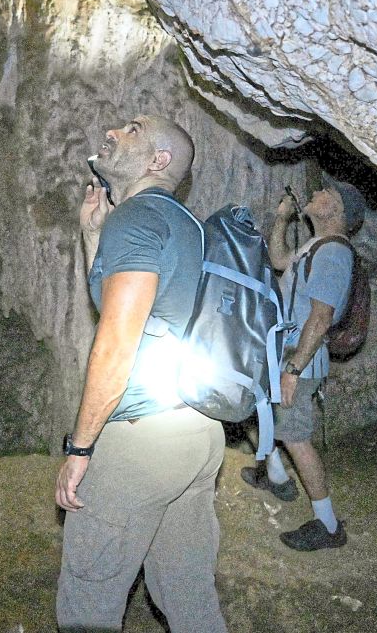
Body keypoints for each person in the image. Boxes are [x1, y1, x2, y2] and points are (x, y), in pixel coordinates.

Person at [55, 114, 229, 633]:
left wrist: (80, 449)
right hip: (195, 430)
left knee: (88, 608)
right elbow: (132, 307)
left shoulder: (136, 221)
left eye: (132, 129)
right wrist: (93, 235)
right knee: (189, 598)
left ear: (159, 160)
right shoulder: (187, 226)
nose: (111, 133)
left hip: (139, 442)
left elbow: (115, 345)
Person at [240, 181, 365, 551]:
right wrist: (282, 220)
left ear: (338, 211)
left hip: (300, 359)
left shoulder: (334, 253)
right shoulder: (316, 245)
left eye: (327, 194)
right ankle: (276, 476)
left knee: (295, 436)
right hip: (285, 351)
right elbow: (279, 261)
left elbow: (321, 317)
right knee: (258, 409)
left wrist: (293, 370)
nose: (316, 194)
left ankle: (328, 524)